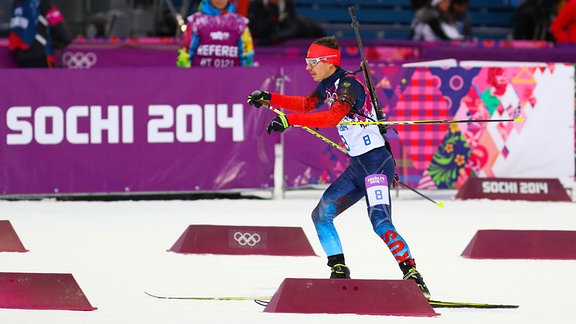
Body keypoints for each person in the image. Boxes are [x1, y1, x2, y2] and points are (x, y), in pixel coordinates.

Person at [246, 36, 431, 299]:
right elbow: (306, 104)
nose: (308, 67)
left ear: (329, 63)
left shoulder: (349, 85)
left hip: (377, 164)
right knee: (321, 215)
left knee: (380, 221)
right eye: (307, 62)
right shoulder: (327, 85)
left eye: (312, 62)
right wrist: (269, 97)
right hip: (358, 167)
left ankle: (413, 274)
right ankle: (339, 270)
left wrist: (290, 121)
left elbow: (333, 116)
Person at [177, 0, 254, 67]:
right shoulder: (195, 22)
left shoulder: (240, 23)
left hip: (232, 80)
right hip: (199, 80)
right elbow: (184, 55)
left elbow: (247, 57)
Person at [8, 0, 73, 68]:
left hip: (22, 56)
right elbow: (64, 34)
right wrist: (58, 43)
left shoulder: (17, 4)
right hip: (41, 55)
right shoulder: (42, 3)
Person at [248, 0, 325, 45]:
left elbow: (293, 22)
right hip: (267, 33)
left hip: (287, 31)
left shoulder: (287, 2)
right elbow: (255, 29)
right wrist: (272, 20)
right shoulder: (256, 4)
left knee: (301, 23)